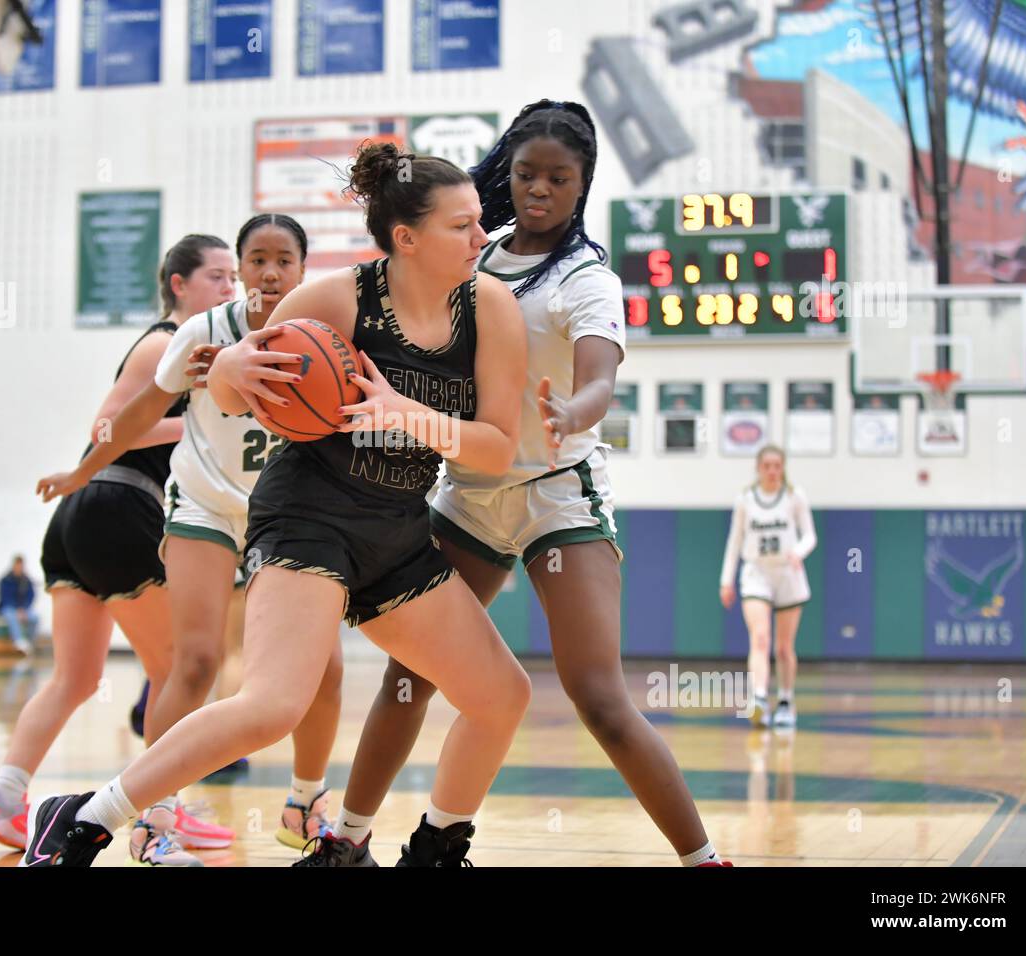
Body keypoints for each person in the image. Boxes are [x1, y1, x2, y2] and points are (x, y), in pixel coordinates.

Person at [18, 142, 532, 868]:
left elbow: (498, 447)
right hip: (308, 514)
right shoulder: (336, 300)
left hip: (396, 528)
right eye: (463, 226)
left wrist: (406, 413)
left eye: (480, 222)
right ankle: (82, 817)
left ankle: (436, 847)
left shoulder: (492, 308)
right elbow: (234, 390)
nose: (483, 239)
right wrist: (226, 368)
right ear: (407, 238)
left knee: (501, 695)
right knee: (273, 705)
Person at [301, 100, 730, 868]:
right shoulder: (474, 251)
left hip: (557, 493)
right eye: (526, 173)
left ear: (581, 184)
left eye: (558, 178)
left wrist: (577, 407)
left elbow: (601, 373)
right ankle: (348, 843)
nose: (538, 188)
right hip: (468, 488)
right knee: (412, 676)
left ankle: (703, 860)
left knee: (599, 696)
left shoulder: (587, 278)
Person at [36, 214, 344, 852]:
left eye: (283, 260)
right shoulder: (204, 332)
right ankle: (156, 818)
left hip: (278, 515)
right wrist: (81, 470)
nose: (268, 272)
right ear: (240, 267)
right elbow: (137, 413)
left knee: (324, 666)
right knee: (195, 660)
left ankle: (305, 800)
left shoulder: (326, 334)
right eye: (255, 259)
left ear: (302, 269)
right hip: (202, 507)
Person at [0, 235, 237, 865]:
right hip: (120, 508)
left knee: (76, 676)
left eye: (233, 279)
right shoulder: (162, 342)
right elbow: (109, 424)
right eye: (218, 277)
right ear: (178, 284)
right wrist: (205, 418)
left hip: (82, 514)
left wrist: (74, 478)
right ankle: (157, 818)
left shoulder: (195, 347)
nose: (230, 289)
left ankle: (4, 798)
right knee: (179, 671)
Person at [719, 444, 815, 729]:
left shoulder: (794, 496)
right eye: (767, 465)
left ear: (783, 467)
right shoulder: (745, 500)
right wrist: (726, 580)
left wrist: (798, 551)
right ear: (758, 468)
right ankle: (759, 698)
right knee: (760, 638)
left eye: (777, 465)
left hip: (788, 573)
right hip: (756, 572)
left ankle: (786, 700)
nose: (773, 471)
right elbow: (734, 541)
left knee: (784, 648)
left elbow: (810, 535)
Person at [0, 555, 38, 655]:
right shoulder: (6, 580)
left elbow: (31, 596)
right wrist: (17, 610)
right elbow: (5, 598)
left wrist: (23, 608)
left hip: (23, 609)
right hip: (9, 608)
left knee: (35, 618)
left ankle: (29, 642)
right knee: (11, 616)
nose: (19, 568)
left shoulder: (27, 580)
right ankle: (19, 642)